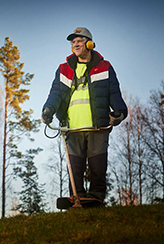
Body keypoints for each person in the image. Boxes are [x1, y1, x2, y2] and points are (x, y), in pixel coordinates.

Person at [42, 27, 127, 202]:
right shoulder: (64, 69)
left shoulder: (105, 67)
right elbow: (56, 93)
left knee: (97, 166)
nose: (75, 44)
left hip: (98, 125)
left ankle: (96, 198)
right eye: (73, 42)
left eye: (79, 41)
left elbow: (113, 93)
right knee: (75, 167)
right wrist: (48, 109)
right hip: (72, 127)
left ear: (89, 44)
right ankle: (77, 197)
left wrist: (120, 112)